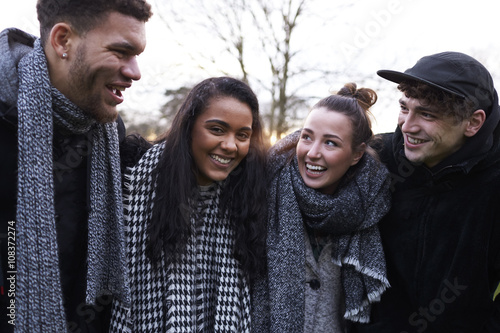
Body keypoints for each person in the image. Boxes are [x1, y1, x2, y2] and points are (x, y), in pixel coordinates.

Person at [0, 0, 152, 332]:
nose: (135, 72)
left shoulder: (109, 131)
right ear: (63, 41)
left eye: (137, 55)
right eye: (120, 52)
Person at [353, 52, 500, 332]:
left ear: (473, 122)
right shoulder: (375, 160)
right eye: (404, 108)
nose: (406, 126)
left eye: (427, 114)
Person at [109, 76, 268, 332]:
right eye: (217, 129)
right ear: (188, 127)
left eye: (242, 135)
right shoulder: (127, 181)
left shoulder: (248, 198)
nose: (230, 145)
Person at [252, 83, 392, 333]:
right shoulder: (264, 186)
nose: (313, 153)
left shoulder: (371, 202)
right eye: (307, 137)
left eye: (331, 143)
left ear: (356, 154)